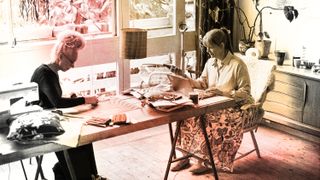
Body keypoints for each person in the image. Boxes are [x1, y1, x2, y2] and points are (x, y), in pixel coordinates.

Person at [171, 27, 254, 174]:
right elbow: (202, 83)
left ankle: (205, 160)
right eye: (207, 48)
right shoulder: (210, 62)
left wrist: (223, 92)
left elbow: (246, 93)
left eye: (211, 48)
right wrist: (184, 77)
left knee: (206, 119)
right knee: (184, 115)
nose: (208, 51)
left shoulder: (238, 65)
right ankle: (185, 156)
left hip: (231, 108)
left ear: (222, 45)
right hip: (211, 104)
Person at [30, 30, 105, 180]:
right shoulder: (44, 73)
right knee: (77, 138)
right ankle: (80, 175)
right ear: (61, 55)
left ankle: (91, 175)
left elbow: (52, 99)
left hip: (51, 117)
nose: (73, 66)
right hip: (42, 125)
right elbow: (57, 103)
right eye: (71, 61)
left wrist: (68, 96)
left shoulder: (52, 72)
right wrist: (86, 99)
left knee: (85, 136)